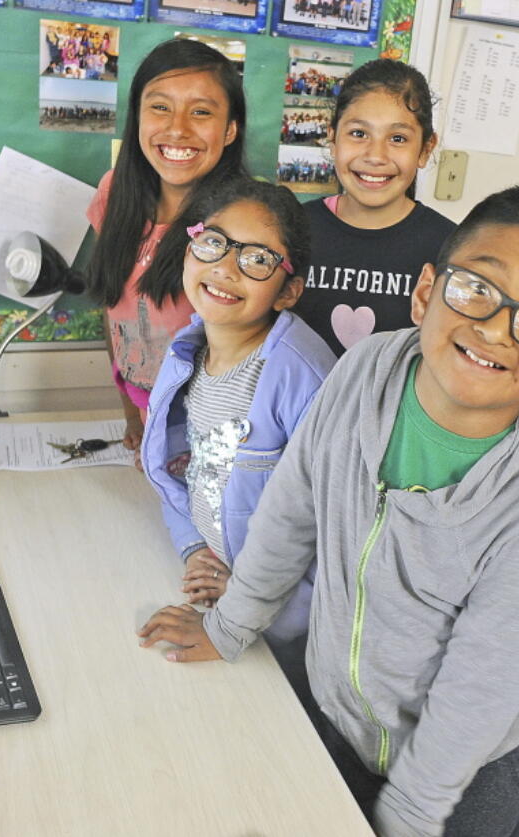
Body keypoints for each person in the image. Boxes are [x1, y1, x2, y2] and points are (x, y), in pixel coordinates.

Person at [139, 184, 519, 837]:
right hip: (338, 717)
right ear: (424, 292)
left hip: (458, 779)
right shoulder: (364, 369)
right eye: (476, 287)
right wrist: (230, 626)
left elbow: (481, 682)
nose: (496, 326)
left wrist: (408, 817)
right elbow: (291, 507)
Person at [141, 178, 334, 698]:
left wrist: (252, 604)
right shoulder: (188, 350)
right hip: (221, 593)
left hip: (282, 630)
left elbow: (334, 533)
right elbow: (180, 467)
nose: (226, 267)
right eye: (214, 243)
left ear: (288, 289)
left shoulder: (302, 378)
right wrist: (191, 546)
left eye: (258, 259)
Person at [85, 38, 247, 457]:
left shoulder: (240, 224)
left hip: (206, 439)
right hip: (146, 420)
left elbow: (247, 358)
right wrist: (132, 415)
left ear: (230, 129)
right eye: (160, 107)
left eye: (201, 112)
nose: (178, 128)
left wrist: (191, 449)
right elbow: (114, 310)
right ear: (137, 116)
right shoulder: (114, 194)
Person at [293, 59, 455, 357]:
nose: (375, 155)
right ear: (332, 138)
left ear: (425, 149)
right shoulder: (293, 229)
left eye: (397, 139)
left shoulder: (451, 247)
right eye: (358, 133)